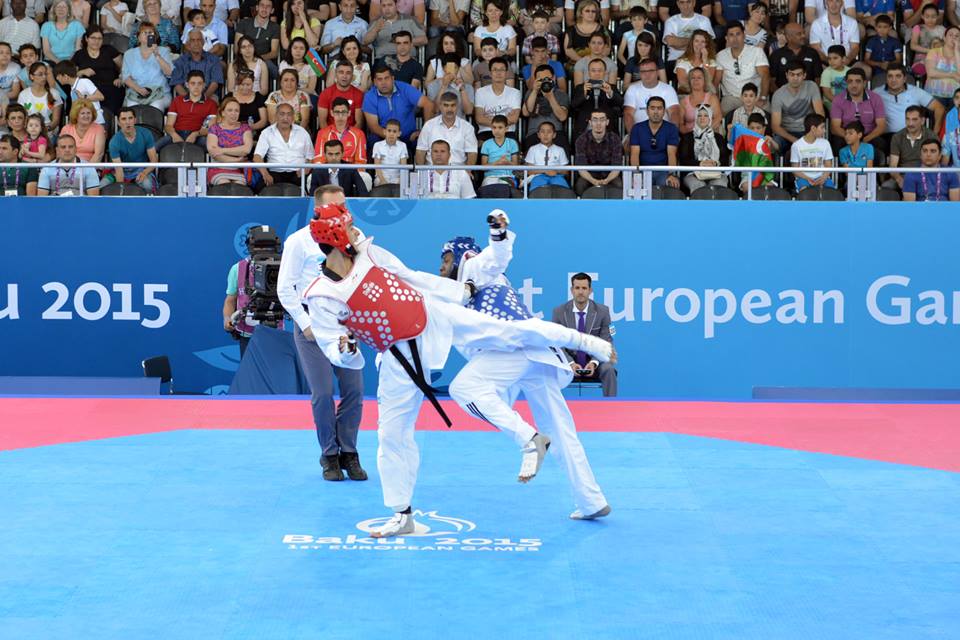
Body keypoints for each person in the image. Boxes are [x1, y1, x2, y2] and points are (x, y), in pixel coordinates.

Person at [301, 201, 613, 537]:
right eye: (348, 227)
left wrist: (483, 258)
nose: (355, 231)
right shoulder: (321, 294)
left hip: (463, 329)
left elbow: (421, 274)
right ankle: (403, 514)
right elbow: (331, 342)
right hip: (409, 353)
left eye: (447, 259)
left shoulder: (393, 257)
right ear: (335, 237)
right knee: (392, 433)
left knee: (502, 347)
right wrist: (344, 350)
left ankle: (584, 348)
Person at [441, 216, 611, 519]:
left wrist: (498, 234)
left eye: (445, 259)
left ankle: (529, 439)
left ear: (460, 255)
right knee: (561, 431)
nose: (441, 266)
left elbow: (496, 257)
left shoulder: (473, 266)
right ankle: (591, 501)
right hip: (537, 354)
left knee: (464, 389)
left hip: (513, 350)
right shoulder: (465, 290)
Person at [277, 185, 366, 482]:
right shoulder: (298, 242)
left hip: (343, 324)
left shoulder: (356, 236)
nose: (343, 212)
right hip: (312, 324)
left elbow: (361, 278)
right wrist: (305, 324)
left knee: (354, 390)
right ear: (318, 210)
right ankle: (329, 454)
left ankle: (349, 451)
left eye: (344, 205)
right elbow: (285, 288)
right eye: (335, 207)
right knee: (323, 392)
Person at [551, 272, 617, 397]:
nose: (580, 292)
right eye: (577, 288)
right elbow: (556, 343)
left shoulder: (603, 311)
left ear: (590, 290)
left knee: (609, 369)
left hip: (594, 361)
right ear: (572, 290)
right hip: (567, 362)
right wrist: (570, 363)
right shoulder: (559, 312)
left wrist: (593, 363)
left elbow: (606, 342)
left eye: (584, 288)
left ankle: (611, 405)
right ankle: (552, 407)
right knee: (548, 369)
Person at [363, 63, 433, 154]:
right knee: (373, 140)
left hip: (408, 135)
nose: (383, 82)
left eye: (386, 78)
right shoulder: (370, 96)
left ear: (392, 79)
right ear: (375, 82)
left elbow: (428, 104)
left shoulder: (404, 88)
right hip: (384, 135)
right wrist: (393, 137)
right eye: (380, 79)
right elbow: (373, 126)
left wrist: (424, 131)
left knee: (423, 141)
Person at [770, 60, 825, 155]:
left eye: (799, 74)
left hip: (808, 130)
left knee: (817, 145)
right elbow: (775, 126)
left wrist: (815, 132)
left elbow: (820, 114)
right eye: (792, 74)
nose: (795, 78)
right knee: (774, 144)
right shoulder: (778, 94)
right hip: (786, 132)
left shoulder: (812, 86)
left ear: (804, 75)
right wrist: (796, 141)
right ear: (786, 75)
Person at [253, 102, 314, 187]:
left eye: (289, 114)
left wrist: (305, 170)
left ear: (293, 117)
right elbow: (257, 156)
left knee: (311, 184)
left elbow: (310, 156)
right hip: (275, 172)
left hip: (298, 172)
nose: (285, 118)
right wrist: (265, 174)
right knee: (261, 186)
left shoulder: (302, 132)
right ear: (276, 116)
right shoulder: (267, 133)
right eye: (282, 114)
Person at [875, 63, 945, 134]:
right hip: (886, 136)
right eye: (890, 76)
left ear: (904, 79)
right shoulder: (876, 93)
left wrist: (935, 133)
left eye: (898, 76)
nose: (893, 80)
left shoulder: (915, 92)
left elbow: (939, 108)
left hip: (911, 135)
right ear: (886, 78)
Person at [716, 21, 770, 113]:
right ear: (726, 38)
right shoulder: (720, 56)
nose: (735, 38)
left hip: (754, 97)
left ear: (744, 35)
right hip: (732, 98)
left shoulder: (757, 52)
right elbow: (716, 81)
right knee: (720, 113)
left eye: (738, 34)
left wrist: (763, 97)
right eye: (731, 35)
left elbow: (765, 75)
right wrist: (715, 101)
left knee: (767, 114)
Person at [829, 67, 887, 152]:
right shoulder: (838, 99)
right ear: (846, 83)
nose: (854, 85)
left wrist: (865, 139)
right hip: (846, 135)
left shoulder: (875, 98)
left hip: (868, 135)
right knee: (837, 143)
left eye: (858, 81)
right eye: (850, 81)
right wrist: (851, 138)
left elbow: (881, 126)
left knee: (881, 144)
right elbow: (835, 127)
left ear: (864, 83)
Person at [629, 96, 681, 188]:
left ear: (664, 111)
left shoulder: (671, 128)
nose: (656, 112)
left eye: (659, 108)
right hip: (643, 170)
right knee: (636, 185)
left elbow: (671, 154)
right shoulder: (637, 128)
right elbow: (634, 154)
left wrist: (671, 174)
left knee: (671, 184)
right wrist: (637, 175)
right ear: (647, 111)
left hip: (663, 171)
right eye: (652, 108)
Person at [158, 70, 217, 151]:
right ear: (187, 85)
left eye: (199, 83)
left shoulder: (211, 104)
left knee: (213, 148)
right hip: (177, 133)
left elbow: (211, 129)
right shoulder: (177, 101)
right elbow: (168, 126)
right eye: (193, 83)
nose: (196, 87)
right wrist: (174, 135)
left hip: (199, 135)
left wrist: (195, 134)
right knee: (153, 148)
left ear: (204, 85)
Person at [121, 21, 174, 111]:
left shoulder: (163, 51)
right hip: (136, 93)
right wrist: (138, 89)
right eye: (144, 32)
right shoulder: (129, 54)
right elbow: (126, 77)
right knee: (132, 108)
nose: (148, 35)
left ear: (155, 37)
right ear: (138, 37)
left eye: (150, 33)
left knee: (156, 107)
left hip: (160, 94)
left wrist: (157, 55)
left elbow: (170, 73)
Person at [72, 26, 123, 116]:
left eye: (100, 38)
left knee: (116, 96)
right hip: (90, 92)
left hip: (111, 88)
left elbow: (124, 67)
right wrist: (82, 72)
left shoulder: (109, 50)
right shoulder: (79, 55)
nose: (96, 41)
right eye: (93, 38)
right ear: (86, 38)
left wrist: (120, 77)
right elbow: (72, 76)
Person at [416, 91, 477, 165]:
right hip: (432, 169)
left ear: (457, 106)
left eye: (453, 105)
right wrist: (422, 171)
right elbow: (420, 151)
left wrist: (467, 171)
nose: (449, 109)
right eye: (446, 105)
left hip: (458, 169)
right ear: (440, 106)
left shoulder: (467, 127)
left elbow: (472, 153)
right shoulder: (429, 125)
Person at [679, 104, 729, 191]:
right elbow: (684, 159)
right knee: (698, 185)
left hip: (716, 173)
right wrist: (700, 163)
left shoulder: (718, 138)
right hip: (693, 173)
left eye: (706, 115)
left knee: (720, 184)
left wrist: (715, 163)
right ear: (696, 118)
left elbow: (725, 159)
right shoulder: (687, 137)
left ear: (710, 118)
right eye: (699, 115)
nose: (702, 118)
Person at [570, 57, 622, 141]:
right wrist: (584, 94)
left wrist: (610, 93)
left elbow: (621, 103)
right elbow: (573, 106)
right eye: (593, 70)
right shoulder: (580, 87)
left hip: (607, 128)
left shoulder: (611, 87)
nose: (597, 73)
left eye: (600, 70)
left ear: (605, 72)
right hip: (585, 128)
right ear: (588, 72)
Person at [107, 105, 158, 191]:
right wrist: (121, 189)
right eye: (124, 119)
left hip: (142, 169)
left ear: (135, 120)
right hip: (122, 171)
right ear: (118, 122)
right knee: (102, 185)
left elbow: (154, 161)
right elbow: (119, 170)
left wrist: (144, 173)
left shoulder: (146, 133)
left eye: (130, 118)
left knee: (147, 185)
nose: (128, 122)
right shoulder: (114, 141)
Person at [573, 107, 623, 194]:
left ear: (607, 122)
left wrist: (607, 180)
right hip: (589, 175)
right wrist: (593, 181)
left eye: (602, 120)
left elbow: (617, 167)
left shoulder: (615, 139)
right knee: (580, 185)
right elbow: (581, 168)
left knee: (619, 184)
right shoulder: (581, 140)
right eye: (595, 120)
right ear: (590, 122)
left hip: (609, 174)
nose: (598, 123)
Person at [623, 57, 681, 130]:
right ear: (639, 73)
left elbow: (674, 113)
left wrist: (672, 134)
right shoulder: (632, 89)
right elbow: (628, 114)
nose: (647, 74)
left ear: (657, 72)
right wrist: (633, 134)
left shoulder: (668, 89)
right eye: (643, 71)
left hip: (663, 132)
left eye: (651, 70)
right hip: (639, 132)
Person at [206, 96, 253, 186]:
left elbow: (246, 150)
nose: (233, 113)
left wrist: (222, 150)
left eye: (236, 111)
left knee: (239, 186)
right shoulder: (215, 128)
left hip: (239, 170)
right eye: (230, 110)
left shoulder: (245, 128)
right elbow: (214, 153)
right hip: (218, 168)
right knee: (224, 184)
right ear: (223, 113)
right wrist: (237, 160)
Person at [888, 104, 936, 190]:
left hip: (925, 175)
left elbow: (935, 163)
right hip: (903, 175)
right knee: (886, 187)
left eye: (914, 119)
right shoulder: (897, 137)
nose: (910, 123)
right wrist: (900, 180)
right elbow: (893, 166)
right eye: (908, 119)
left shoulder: (931, 136)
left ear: (922, 121)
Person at [522, 63, 569, 149]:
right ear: (535, 80)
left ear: (554, 78)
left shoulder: (561, 94)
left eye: (547, 79)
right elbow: (526, 113)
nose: (544, 82)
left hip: (555, 133)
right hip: (535, 132)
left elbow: (562, 117)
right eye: (541, 80)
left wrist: (550, 97)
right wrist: (534, 92)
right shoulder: (531, 92)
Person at [363, 0, 427, 60]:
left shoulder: (410, 20)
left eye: (390, 5)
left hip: (408, 58)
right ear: (380, 7)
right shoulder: (376, 23)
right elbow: (365, 41)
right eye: (384, 6)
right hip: (383, 58)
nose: (387, 9)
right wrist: (375, 29)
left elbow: (424, 40)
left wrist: (402, 41)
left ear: (396, 6)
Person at [769, 22, 823, 91]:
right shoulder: (776, 55)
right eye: (799, 34)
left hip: (808, 96)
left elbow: (818, 79)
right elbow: (771, 80)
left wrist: (813, 95)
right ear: (788, 37)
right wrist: (780, 96)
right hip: (783, 96)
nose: (803, 36)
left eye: (803, 33)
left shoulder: (812, 53)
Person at [790, 113, 835, 191]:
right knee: (804, 192)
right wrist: (808, 178)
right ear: (813, 128)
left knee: (831, 192)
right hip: (803, 178)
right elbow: (795, 169)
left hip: (822, 177)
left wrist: (823, 178)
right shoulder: (796, 145)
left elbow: (828, 165)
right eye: (822, 127)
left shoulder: (825, 143)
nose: (824, 131)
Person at [318, 59, 365, 130]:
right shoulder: (325, 93)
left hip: (351, 132)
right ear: (336, 74)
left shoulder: (359, 94)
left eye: (348, 73)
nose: (344, 76)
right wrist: (331, 135)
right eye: (341, 72)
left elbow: (359, 123)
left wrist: (347, 135)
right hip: (330, 132)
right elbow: (322, 122)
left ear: (352, 76)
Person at [234, 0, 280, 73]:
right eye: (262, 5)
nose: (264, 8)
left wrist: (257, 59)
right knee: (234, 67)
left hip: (264, 61)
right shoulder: (244, 23)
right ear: (257, 7)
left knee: (274, 70)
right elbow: (237, 48)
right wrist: (249, 59)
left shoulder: (275, 27)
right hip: (244, 59)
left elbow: (274, 52)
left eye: (268, 6)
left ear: (272, 10)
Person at [524, 121, 570, 191]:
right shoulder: (533, 149)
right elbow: (529, 171)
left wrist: (556, 171)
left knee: (563, 190)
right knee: (537, 190)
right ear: (538, 135)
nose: (545, 135)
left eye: (549, 132)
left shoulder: (560, 150)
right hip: (538, 176)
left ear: (554, 135)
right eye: (542, 132)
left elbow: (565, 171)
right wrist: (545, 171)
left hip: (556, 176)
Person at [426, 53, 474, 117]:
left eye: (455, 68)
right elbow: (435, 110)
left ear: (459, 68)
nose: (452, 71)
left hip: (459, 122)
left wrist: (462, 90)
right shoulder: (433, 85)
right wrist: (443, 86)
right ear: (443, 68)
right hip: (438, 122)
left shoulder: (467, 87)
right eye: (448, 67)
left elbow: (468, 111)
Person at [59, 99, 106, 163]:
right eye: (82, 113)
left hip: (90, 166)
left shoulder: (99, 129)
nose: (86, 116)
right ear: (76, 115)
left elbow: (99, 154)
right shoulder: (66, 129)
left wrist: (87, 168)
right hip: (70, 165)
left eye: (88, 113)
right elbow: (61, 152)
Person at [479, 113, 519, 188]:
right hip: (490, 177)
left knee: (504, 188)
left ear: (506, 128)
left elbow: (516, 167)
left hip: (508, 176)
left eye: (500, 127)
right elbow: (483, 168)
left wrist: (507, 162)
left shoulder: (512, 143)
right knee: (491, 189)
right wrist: (497, 163)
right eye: (494, 127)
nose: (497, 130)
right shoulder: (486, 144)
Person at [864, 14, 902, 84]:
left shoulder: (895, 42)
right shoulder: (871, 41)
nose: (882, 30)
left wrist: (889, 64)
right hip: (875, 68)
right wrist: (879, 64)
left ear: (890, 28)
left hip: (891, 68)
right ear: (875, 27)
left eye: (885, 27)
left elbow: (898, 59)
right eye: (879, 27)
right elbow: (866, 59)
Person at [371, 118, 408, 186]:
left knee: (404, 184)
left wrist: (400, 181)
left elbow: (404, 166)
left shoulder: (403, 145)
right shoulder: (377, 145)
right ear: (384, 132)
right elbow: (377, 166)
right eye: (389, 131)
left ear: (399, 134)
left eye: (394, 131)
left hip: (397, 179)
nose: (391, 134)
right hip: (381, 178)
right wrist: (382, 180)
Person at [942, 87, 960, 166]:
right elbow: (948, 138)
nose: (959, 100)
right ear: (953, 100)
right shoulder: (950, 115)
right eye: (957, 98)